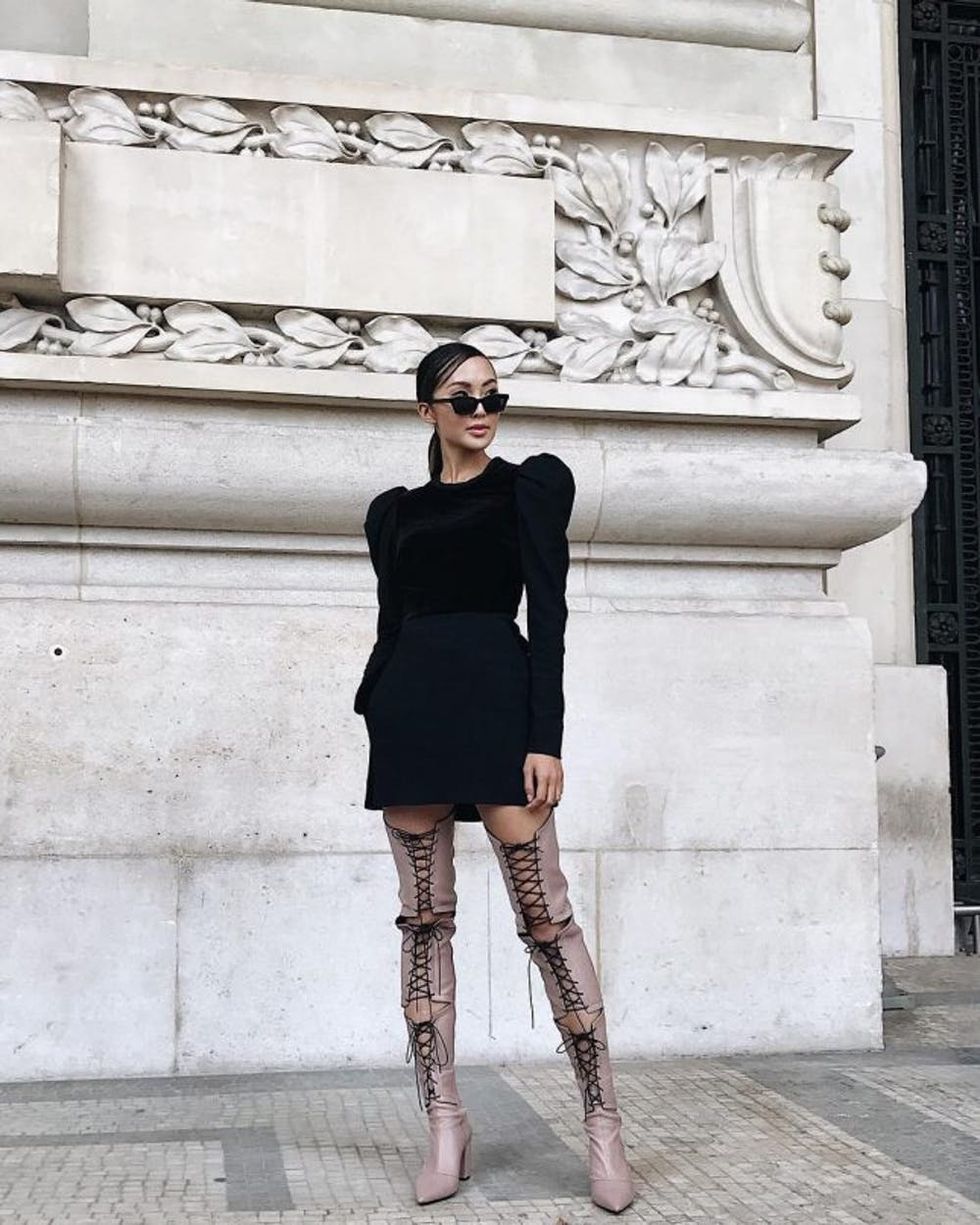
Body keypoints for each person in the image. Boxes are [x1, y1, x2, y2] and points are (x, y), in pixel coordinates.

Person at [353, 341, 635, 1214]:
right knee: (422, 921)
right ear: (426, 410)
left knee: (546, 918)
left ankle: (603, 1125)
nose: (482, 410)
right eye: (462, 397)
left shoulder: (530, 487)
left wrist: (545, 738)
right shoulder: (392, 512)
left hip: (500, 709)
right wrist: (374, 703)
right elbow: (392, 620)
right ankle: (445, 1123)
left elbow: (548, 615)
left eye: (492, 396)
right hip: (411, 715)